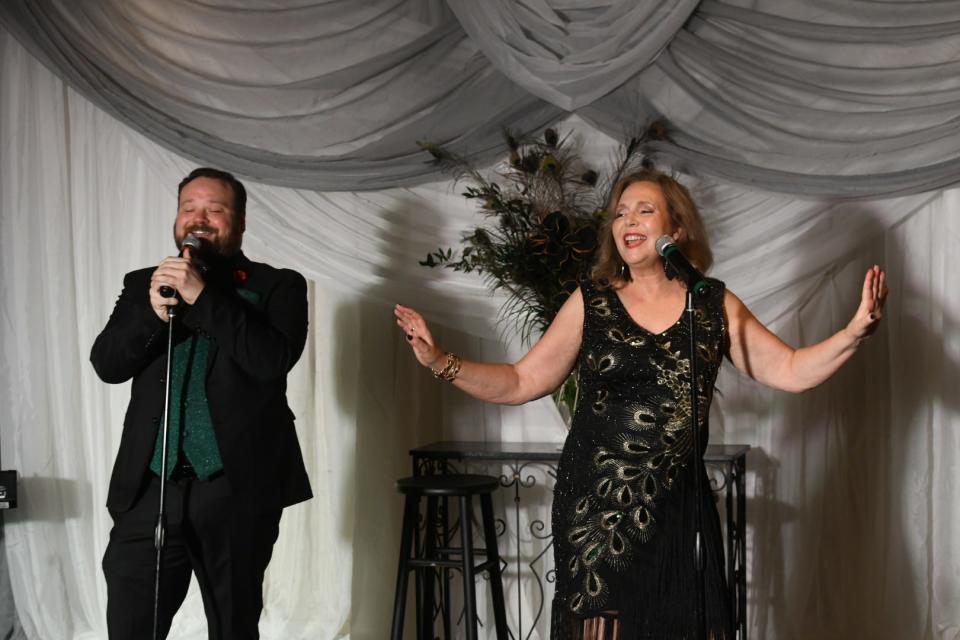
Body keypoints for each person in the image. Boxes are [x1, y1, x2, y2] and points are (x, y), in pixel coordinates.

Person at [395, 168, 887, 640]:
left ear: (676, 227)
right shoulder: (592, 301)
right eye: (620, 213)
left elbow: (789, 369)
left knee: (682, 624)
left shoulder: (710, 302)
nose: (627, 222)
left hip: (681, 507)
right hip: (599, 505)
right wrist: (442, 361)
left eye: (644, 211)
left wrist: (853, 332)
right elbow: (523, 379)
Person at [90, 167, 312, 639]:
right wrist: (152, 314)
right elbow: (107, 364)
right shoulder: (143, 284)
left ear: (241, 220)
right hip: (150, 488)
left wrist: (204, 296)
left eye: (215, 209)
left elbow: (271, 360)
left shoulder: (279, 286)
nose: (200, 219)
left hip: (236, 488)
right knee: (130, 626)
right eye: (189, 208)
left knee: (232, 627)